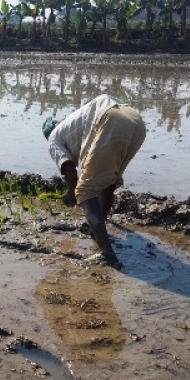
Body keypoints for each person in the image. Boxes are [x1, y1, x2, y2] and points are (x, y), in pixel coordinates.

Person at [43, 94, 146, 268]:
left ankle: (107, 254)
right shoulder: (75, 121)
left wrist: (70, 192)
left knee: (84, 192)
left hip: (110, 120)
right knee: (107, 183)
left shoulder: (53, 137)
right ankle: (98, 230)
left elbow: (68, 168)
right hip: (136, 121)